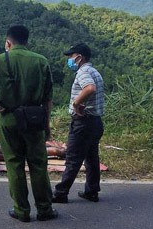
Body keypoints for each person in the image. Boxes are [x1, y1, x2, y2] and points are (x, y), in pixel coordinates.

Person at [0, 25, 57, 222]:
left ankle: (21, 210)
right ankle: (45, 209)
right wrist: (46, 124)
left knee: (14, 164)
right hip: (35, 119)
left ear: (8, 42)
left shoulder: (0, 59)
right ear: (27, 41)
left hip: (10, 119)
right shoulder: (41, 61)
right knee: (38, 164)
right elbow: (47, 98)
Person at [52, 43, 105, 203]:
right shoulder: (95, 71)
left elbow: (90, 88)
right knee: (91, 158)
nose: (70, 60)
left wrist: (76, 104)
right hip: (95, 122)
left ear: (79, 58)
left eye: (71, 57)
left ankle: (60, 193)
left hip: (83, 122)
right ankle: (92, 191)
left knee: (73, 158)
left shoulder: (83, 72)